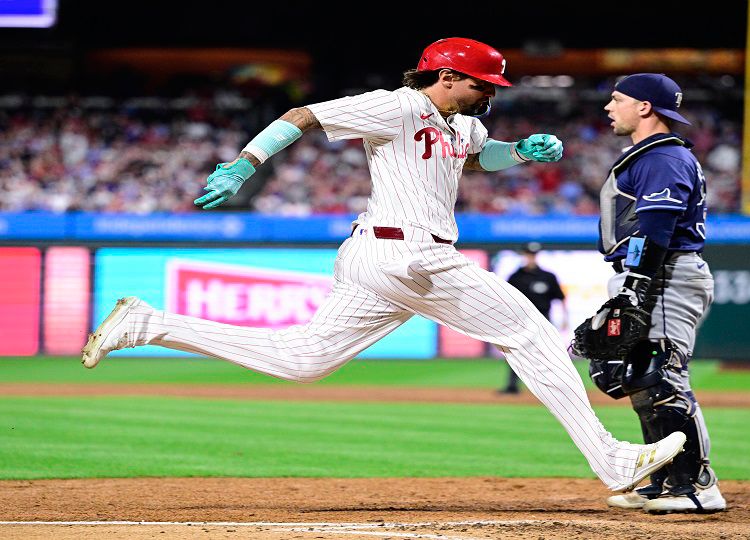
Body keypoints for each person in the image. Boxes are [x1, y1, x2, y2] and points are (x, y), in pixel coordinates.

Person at [80, 38, 686, 494]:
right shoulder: (396, 106)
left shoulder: (459, 123)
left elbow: (477, 156)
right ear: (446, 76)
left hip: (378, 259)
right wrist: (246, 163)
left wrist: (519, 153)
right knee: (528, 332)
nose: (492, 93)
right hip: (407, 251)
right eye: (481, 84)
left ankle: (146, 325)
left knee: (306, 359)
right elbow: (305, 116)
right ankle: (613, 461)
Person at [591, 73, 726, 513]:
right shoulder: (649, 156)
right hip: (653, 273)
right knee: (643, 380)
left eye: (617, 100)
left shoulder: (663, 157)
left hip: (665, 274)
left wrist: (635, 284)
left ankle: (696, 485)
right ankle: (667, 478)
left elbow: (656, 226)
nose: (609, 108)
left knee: (664, 377)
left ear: (645, 107)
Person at [498, 241, 568, 395]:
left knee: (548, 353)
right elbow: (506, 299)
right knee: (516, 352)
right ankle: (512, 386)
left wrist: (565, 318)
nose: (531, 257)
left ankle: (554, 387)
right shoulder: (515, 277)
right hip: (521, 320)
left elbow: (561, 298)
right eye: (528, 254)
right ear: (524, 255)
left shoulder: (548, 276)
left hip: (543, 319)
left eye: (533, 255)